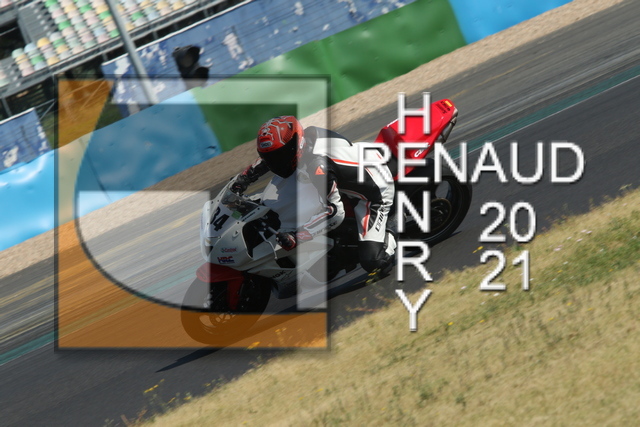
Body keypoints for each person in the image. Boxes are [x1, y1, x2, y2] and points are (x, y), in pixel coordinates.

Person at [231, 115, 396, 280]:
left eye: (280, 156)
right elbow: (269, 159)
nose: (275, 163)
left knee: (374, 262)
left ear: (295, 145)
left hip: (374, 192)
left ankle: (394, 224)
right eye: (271, 157)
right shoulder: (305, 139)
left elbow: (335, 213)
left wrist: (297, 236)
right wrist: (243, 179)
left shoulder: (318, 165)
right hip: (350, 170)